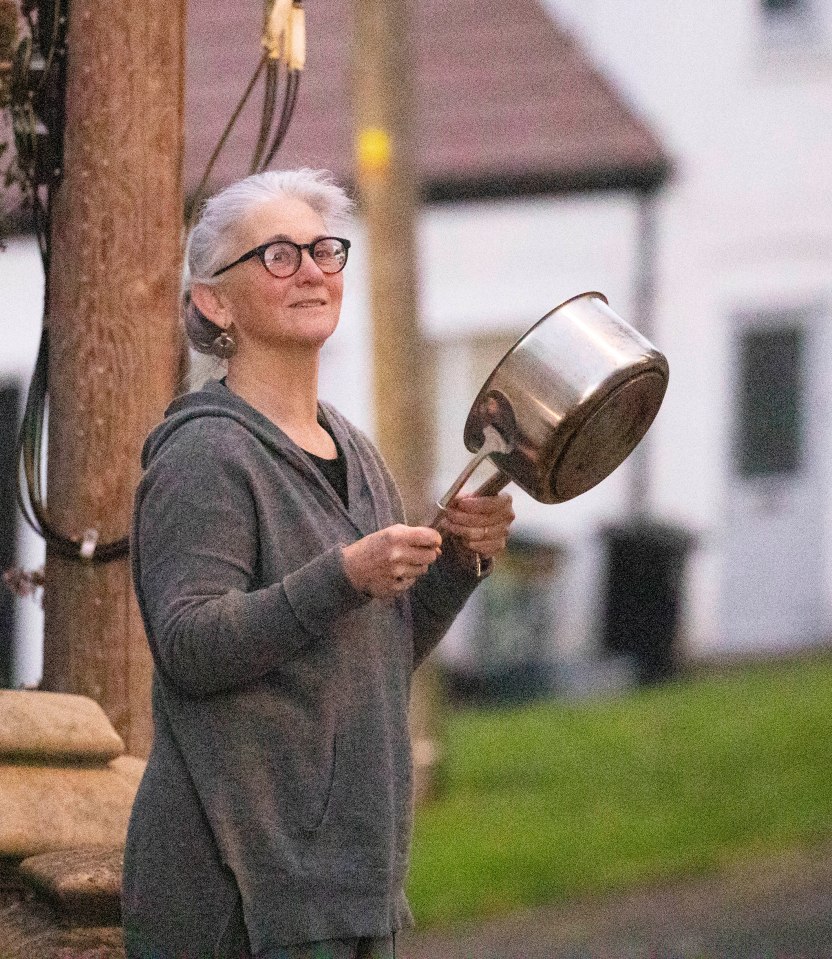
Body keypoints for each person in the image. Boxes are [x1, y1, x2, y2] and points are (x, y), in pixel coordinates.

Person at [122, 168, 515, 959]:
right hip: (239, 896)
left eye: (325, 251)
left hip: (349, 883)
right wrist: (343, 575)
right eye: (277, 255)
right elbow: (191, 645)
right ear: (213, 301)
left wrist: (457, 565)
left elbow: (375, 651)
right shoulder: (205, 453)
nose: (311, 270)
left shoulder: (354, 448)